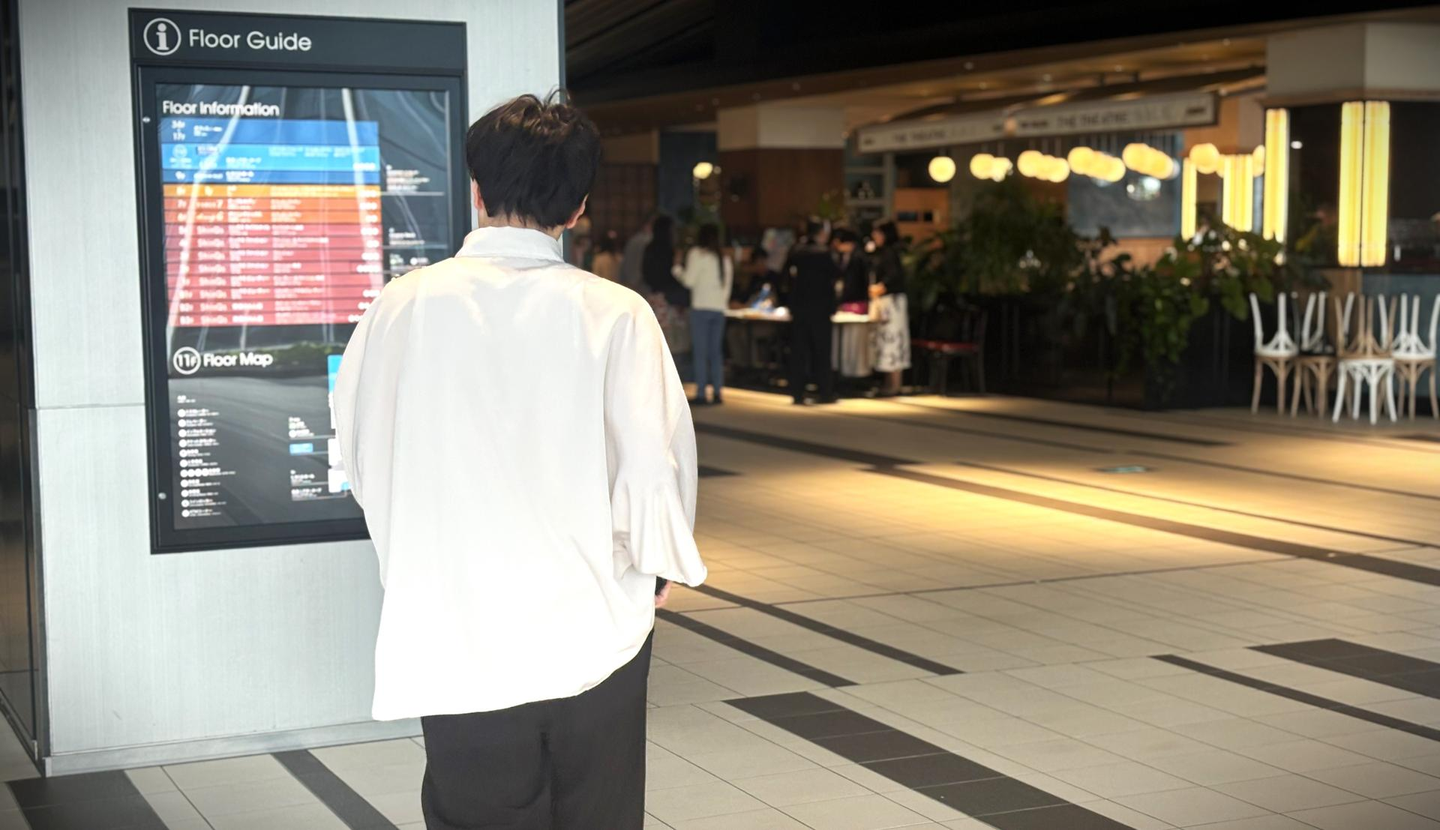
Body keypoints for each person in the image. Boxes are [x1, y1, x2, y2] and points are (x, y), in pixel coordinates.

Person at [332, 93, 706, 830]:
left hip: (456, 618)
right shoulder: (617, 312)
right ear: (578, 207)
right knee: (598, 813)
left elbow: (362, 449)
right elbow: (651, 465)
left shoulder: (403, 305)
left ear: (476, 191)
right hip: (594, 622)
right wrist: (656, 563)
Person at [785, 218, 841, 404]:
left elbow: (785, 277)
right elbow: (836, 275)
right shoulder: (825, 253)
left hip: (799, 308)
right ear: (821, 233)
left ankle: (797, 393)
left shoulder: (796, 252)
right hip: (821, 309)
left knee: (799, 351)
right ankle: (825, 391)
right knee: (822, 352)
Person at [677, 224, 733, 405]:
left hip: (700, 307)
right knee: (715, 352)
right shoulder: (724, 258)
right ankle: (717, 391)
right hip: (718, 309)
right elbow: (727, 286)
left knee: (700, 352)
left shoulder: (696, 254)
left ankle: (701, 392)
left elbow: (689, 281)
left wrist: (676, 268)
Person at [869, 220, 911, 397]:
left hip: (892, 303)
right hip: (889, 302)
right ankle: (890, 382)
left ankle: (894, 384)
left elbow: (893, 276)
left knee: (893, 340)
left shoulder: (890, 252)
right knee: (886, 341)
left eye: (877, 233)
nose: (874, 236)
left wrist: (881, 287)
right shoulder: (886, 252)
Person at [642, 215, 690, 353]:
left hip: (655, 297)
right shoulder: (670, 251)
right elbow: (675, 275)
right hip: (671, 299)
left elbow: (645, 273)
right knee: (676, 342)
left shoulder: (649, 248)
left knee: (659, 342)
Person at [832, 227, 874, 379]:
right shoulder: (842, 257)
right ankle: (843, 370)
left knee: (855, 340)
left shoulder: (859, 258)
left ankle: (854, 373)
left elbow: (862, 282)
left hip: (857, 302)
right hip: (845, 302)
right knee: (844, 340)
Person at [618, 215, 653, 292]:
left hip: (629, 283)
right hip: (641, 284)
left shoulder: (633, 240)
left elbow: (624, 264)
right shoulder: (648, 241)